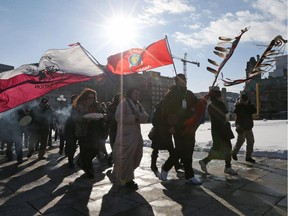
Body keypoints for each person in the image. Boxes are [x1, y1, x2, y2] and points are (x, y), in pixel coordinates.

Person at [159, 74, 205, 185]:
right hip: (177, 127)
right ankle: (165, 168)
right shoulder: (170, 94)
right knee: (179, 150)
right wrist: (169, 126)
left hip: (189, 126)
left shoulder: (189, 94)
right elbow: (164, 112)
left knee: (189, 150)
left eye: (185, 80)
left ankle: (189, 176)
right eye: (181, 80)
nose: (184, 82)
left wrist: (203, 100)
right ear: (176, 81)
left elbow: (197, 104)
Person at [113, 87, 149, 190]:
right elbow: (119, 117)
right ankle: (128, 180)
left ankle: (123, 174)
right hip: (126, 137)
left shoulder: (138, 105)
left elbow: (146, 116)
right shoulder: (123, 104)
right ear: (130, 94)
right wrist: (136, 117)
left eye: (138, 94)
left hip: (136, 136)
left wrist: (138, 117)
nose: (137, 96)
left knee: (137, 157)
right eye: (135, 93)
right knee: (127, 159)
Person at [198, 89, 237, 175]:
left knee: (224, 148)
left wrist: (227, 116)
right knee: (222, 148)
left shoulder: (216, 105)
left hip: (221, 129)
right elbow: (223, 116)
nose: (221, 97)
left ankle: (225, 166)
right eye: (220, 96)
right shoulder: (214, 106)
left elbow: (225, 115)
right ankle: (226, 167)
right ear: (216, 97)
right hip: (219, 130)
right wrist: (227, 116)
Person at [73, 88, 107, 178]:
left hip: (95, 131)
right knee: (85, 151)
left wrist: (103, 116)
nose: (91, 99)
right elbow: (75, 117)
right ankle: (89, 170)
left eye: (93, 97)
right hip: (83, 132)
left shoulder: (97, 105)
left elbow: (104, 113)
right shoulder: (79, 106)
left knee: (95, 150)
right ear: (84, 97)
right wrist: (85, 118)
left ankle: (81, 162)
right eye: (89, 97)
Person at [149, 100, 182, 173]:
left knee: (171, 150)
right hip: (159, 133)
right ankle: (153, 165)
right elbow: (155, 121)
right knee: (156, 150)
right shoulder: (159, 108)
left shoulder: (169, 108)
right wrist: (168, 127)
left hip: (166, 133)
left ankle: (176, 165)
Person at [232, 93, 257, 163]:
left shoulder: (249, 106)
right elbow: (241, 112)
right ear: (241, 100)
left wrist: (249, 104)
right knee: (240, 141)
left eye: (245, 101)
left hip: (248, 127)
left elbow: (254, 110)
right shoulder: (238, 107)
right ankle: (234, 153)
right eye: (243, 100)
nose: (244, 102)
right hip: (241, 127)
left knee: (251, 141)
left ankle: (248, 157)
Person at [106, 93, 123, 167]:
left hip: (121, 129)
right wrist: (118, 117)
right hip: (113, 129)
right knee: (115, 147)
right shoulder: (112, 107)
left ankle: (116, 161)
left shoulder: (123, 106)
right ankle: (110, 158)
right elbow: (109, 116)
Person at [64, 94, 78, 168]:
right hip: (70, 128)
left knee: (73, 145)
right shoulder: (69, 107)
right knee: (71, 144)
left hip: (77, 128)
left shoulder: (79, 107)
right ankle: (70, 160)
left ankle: (70, 157)